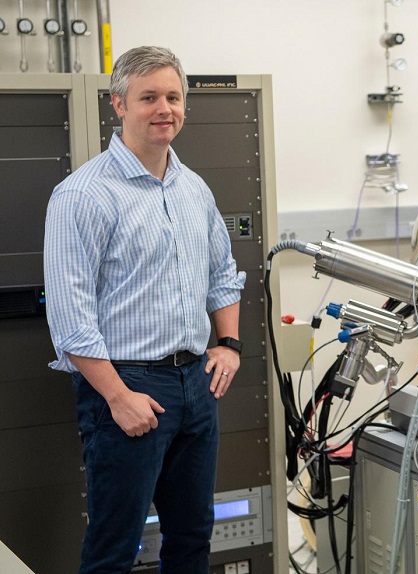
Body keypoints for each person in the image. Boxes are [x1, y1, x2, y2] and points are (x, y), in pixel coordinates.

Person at [44, 46, 246, 573]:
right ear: (119, 104)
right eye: (149, 97)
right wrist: (117, 397)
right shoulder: (82, 196)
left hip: (194, 387)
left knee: (193, 537)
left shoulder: (193, 188)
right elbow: (71, 320)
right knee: (114, 547)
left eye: (174, 97)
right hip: (127, 387)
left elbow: (223, 274)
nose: (165, 108)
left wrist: (228, 344)